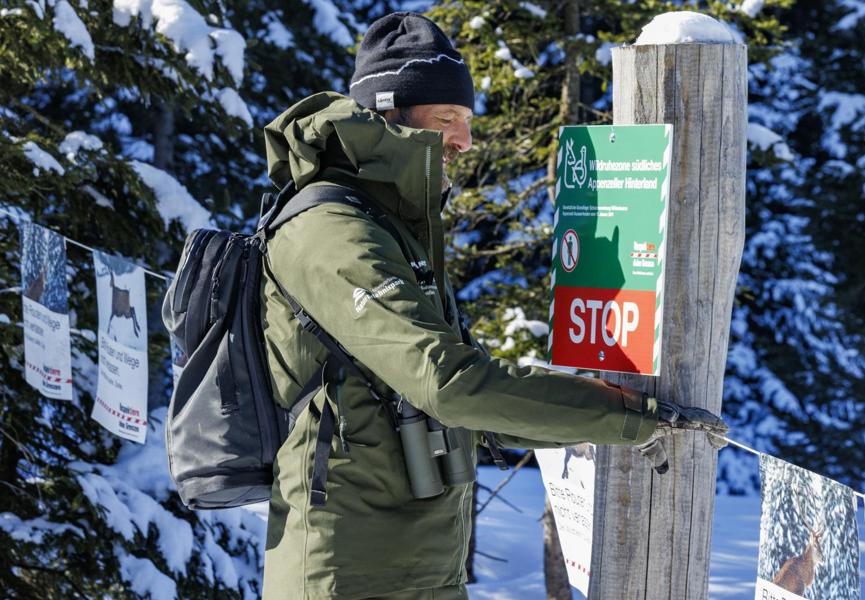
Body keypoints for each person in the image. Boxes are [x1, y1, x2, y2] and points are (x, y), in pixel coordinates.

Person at [259, 12, 727, 600]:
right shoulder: (332, 231)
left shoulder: (391, 224)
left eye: (468, 121)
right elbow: (448, 385)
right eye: (448, 118)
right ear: (387, 114)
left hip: (417, 564)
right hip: (348, 572)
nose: (465, 140)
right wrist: (635, 419)